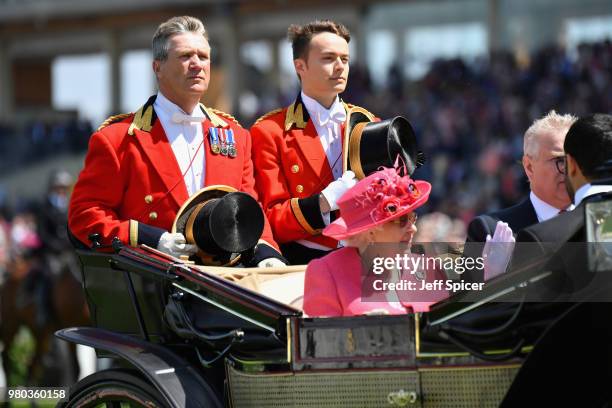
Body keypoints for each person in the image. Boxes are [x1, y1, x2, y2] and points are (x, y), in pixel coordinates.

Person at [68, 16, 284, 267]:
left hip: (226, 279)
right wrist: (151, 239)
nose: (197, 65)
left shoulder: (236, 135)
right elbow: (85, 216)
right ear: (157, 67)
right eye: (185, 56)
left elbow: (246, 209)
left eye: (203, 57)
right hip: (154, 281)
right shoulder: (117, 139)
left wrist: (267, 254)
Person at [500, 113, 612, 408]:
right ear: (528, 165)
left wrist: (498, 282)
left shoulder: (542, 239)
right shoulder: (503, 229)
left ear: (572, 165)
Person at [251, 20, 375, 264]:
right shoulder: (269, 131)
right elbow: (270, 218)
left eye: (345, 59)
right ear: (300, 66)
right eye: (328, 58)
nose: (340, 67)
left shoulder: (368, 123)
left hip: (365, 258)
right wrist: (325, 201)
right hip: (306, 263)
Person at [303, 166, 447, 317]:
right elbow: (321, 337)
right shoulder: (326, 273)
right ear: (370, 230)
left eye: (413, 218)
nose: (414, 229)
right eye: (402, 221)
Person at [463, 111, 576, 281]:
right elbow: (471, 305)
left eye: (576, 160)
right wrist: (493, 280)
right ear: (529, 167)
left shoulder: (600, 220)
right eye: (560, 160)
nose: (570, 170)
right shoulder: (489, 233)